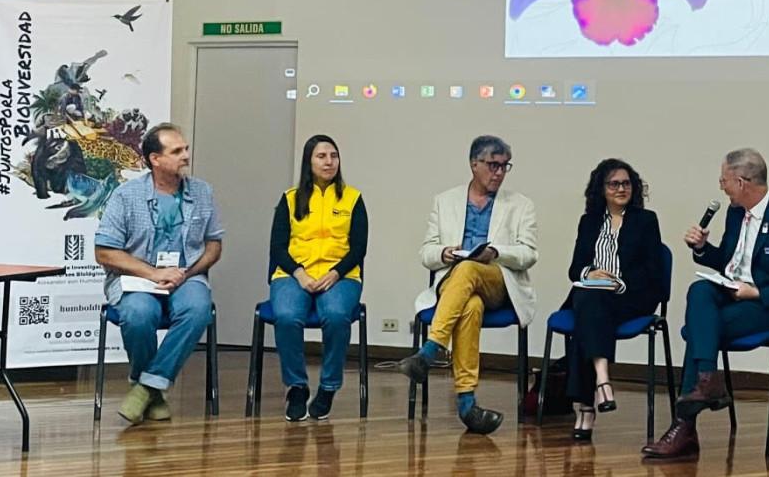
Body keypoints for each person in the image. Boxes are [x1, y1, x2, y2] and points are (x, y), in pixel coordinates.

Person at [642, 148, 769, 458]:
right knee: (699, 291)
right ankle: (708, 380)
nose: (721, 188)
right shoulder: (735, 213)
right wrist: (701, 249)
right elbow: (728, 262)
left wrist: (759, 293)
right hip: (734, 294)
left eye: (723, 181)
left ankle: (684, 428)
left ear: (741, 181)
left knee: (702, 329)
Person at [395, 135, 538, 434]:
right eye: (492, 165)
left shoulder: (521, 205)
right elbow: (426, 252)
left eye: (504, 166)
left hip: (498, 281)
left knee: (470, 269)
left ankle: (430, 351)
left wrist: (497, 252)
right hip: (456, 283)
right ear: (474, 164)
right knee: (470, 305)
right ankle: (467, 405)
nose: (498, 172)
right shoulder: (444, 201)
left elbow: (529, 254)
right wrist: (444, 252)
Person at [94, 123, 224, 425]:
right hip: (139, 278)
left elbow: (214, 246)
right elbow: (104, 252)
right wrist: (153, 273)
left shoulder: (202, 192)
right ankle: (153, 391)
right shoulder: (126, 195)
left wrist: (186, 273)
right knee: (138, 313)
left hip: (186, 276)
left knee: (198, 308)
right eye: (177, 151)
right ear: (155, 159)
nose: (186, 156)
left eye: (186, 149)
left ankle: (147, 386)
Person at [268, 134, 367, 421]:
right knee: (286, 315)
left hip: (341, 275)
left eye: (333, 156)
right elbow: (277, 247)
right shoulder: (289, 199)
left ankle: (328, 386)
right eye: (321, 156)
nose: (329, 161)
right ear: (308, 162)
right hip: (293, 273)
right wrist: (299, 273)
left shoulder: (353, 198)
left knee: (336, 315)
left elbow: (358, 248)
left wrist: (335, 273)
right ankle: (297, 386)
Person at [563, 158, 664, 441]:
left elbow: (652, 272)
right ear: (601, 189)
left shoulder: (646, 221)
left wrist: (617, 283)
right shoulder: (589, 222)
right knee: (589, 298)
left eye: (626, 183)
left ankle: (586, 407)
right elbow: (575, 268)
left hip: (631, 296)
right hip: (594, 296)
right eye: (614, 184)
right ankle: (602, 380)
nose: (621, 189)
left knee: (588, 309)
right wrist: (590, 273)